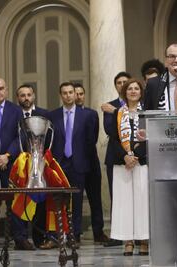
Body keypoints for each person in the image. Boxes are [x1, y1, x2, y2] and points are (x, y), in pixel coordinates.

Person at [43, 82, 95, 249]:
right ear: (61, 95)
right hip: (59, 163)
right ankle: (55, 236)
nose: (68, 95)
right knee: (55, 200)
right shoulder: (53, 115)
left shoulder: (88, 115)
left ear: (75, 94)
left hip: (79, 163)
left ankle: (75, 235)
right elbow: (48, 141)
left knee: (77, 201)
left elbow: (91, 141)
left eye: (70, 92)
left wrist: (86, 161)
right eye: (64, 93)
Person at [0, 78, 35, 250]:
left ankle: (20, 238)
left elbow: (20, 136)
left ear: (6, 90)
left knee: (17, 199)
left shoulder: (16, 110)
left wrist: (7, 155)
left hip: (11, 162)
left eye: (1, 88)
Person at [109, 78, 148, 256]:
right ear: (125, 92)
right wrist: (125, 156)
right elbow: (113, 139)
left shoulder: (147, 113)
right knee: (124, 202)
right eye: (129, 89)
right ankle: (127, 241)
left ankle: (143, 240)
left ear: (141, 92)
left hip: (141, 161)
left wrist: (136, 156)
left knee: (142, 201)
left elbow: (150, 137)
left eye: (136, 88)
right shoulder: (117, 112)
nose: (133, 91)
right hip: (122, 162)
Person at [74, 84, 109, 244]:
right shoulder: (68, 115)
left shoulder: (92, 114)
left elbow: (93, 137)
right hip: (74, 163)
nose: (79, 96)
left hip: (91, 161)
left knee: (95, 198)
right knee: (76, 199)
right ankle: (75, 232)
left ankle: (98, 231)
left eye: (81, 93)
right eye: (76, 94)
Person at [16, 84, 49, 248]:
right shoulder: (14, 115)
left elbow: (50, 138)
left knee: (40, 201)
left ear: (33, 96)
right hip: (20, 164)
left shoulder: (45, 114)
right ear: (18, 98)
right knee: (20, 200)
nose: (26, 98)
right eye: (22, 95)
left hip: (40, 164)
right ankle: (20, 238)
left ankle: (40, 237)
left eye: (29, 94)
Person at [102, 71, 131, 247]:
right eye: (119, 82)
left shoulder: (138, 104)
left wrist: (117, 113)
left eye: (125, 82)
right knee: (117, 197)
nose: (122, 85)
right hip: (115, 156)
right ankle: (117, 235)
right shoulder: (109, 106)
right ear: (116, 86)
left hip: (136, 156)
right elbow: (110, 130)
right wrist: (118, 112)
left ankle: (136, 235)